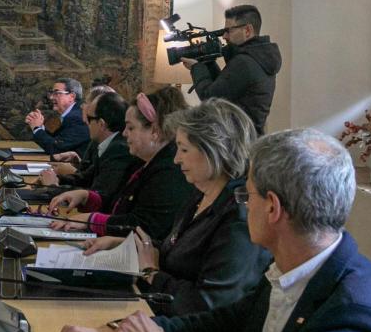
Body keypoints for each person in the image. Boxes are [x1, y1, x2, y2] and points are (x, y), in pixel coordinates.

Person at [53, 129, 371, 332]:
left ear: (272, 207)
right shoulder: (298, 271)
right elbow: (213, 330)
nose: (244, 205)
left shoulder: (356, 319)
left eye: (248, 195)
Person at [80, 99, 271, 316]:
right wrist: (128, 245)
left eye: (184, 149)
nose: (177, 159)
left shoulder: (239, 216)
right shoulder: (201, 194)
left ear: (214, 151)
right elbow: (180, 251)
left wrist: (151, 272)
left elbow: (206, 305)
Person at [48, 87, 192, 240]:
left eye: (130, 127)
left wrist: (92, 220)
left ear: (154, 131)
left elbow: (144, 226)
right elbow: (117, 203)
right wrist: (85, 196)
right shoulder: (141, 162)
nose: (124, 133)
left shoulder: (168, 172)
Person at [182, 4, 282, 135]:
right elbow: (224, 89)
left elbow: (211, 98)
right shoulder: (259, 57)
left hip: (237, 142)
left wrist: (196, 67)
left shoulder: (245, 62)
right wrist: (207, 61)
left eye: (229, 31)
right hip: (248, 137)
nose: (224, 36)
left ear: (247, 30)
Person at [38, 91, 141, 210]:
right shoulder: (108, 143)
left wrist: (52, 186)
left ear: (101, 124)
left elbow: (98, 197)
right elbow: (85, 179)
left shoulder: (119, 149)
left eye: (89, 118)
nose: (85, 122)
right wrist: (57, 178)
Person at [25, 78, 91, 155]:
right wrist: (39, 126)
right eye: (52, 93)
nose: (51, 97)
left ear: (72, 96)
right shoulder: (73, 113)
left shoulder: (77, 117)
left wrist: (36, 128)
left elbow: (56, 149)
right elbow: (56, 141)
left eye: (56, 93)